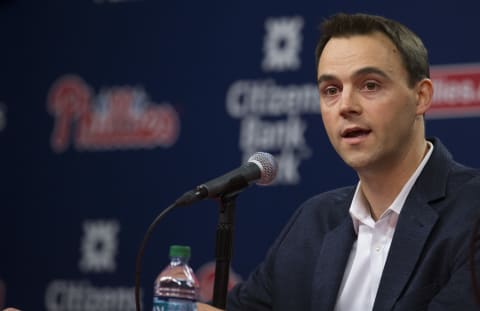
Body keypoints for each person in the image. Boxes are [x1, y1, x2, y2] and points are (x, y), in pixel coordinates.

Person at [198, 12, 480, 310]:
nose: (346, 106)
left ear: (421, 96)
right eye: (331, 90)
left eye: (370, 85)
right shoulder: (313, 221)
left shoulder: (472, 213)